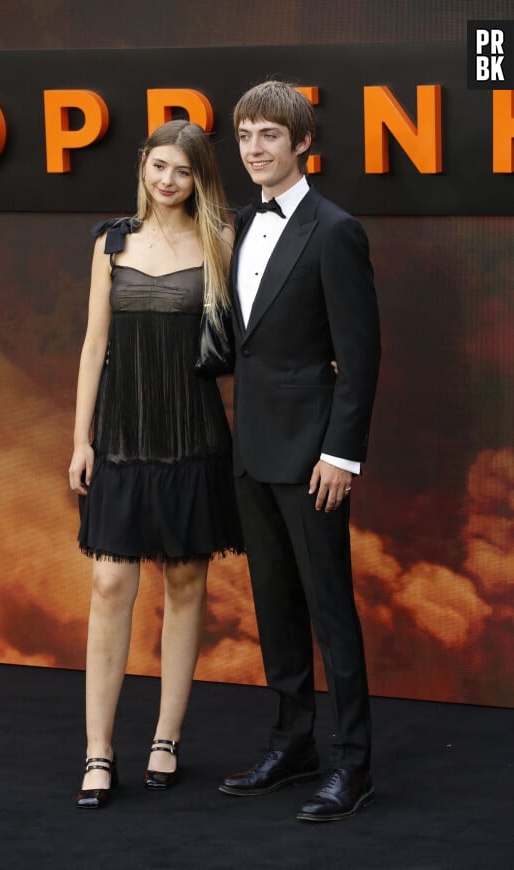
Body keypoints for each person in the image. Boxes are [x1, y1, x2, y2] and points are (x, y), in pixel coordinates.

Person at [68, 119, 243, 809]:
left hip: (195, 439)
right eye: (157, 166)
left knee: (186, 580)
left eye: (182, 170)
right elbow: (93, 347)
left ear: (199, 177)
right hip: (121, 438)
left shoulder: (220, 240)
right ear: (142, 166)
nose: (167, 180)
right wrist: (80, 441)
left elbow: (247, 341)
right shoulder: (111, 243)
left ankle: (167, 738)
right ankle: (99, 749)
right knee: (110, 585)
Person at [219, 81, 381, 822]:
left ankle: (355, 764)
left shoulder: (335, 229)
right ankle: (293, 745)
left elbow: (362, 354)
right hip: (251, 451)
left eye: (270, 136)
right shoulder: (239, 225)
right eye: (246, 134)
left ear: (302, 143)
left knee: (329, 610)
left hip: (313, 456)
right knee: (274, 606)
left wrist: (340, 456)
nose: (254, 148)